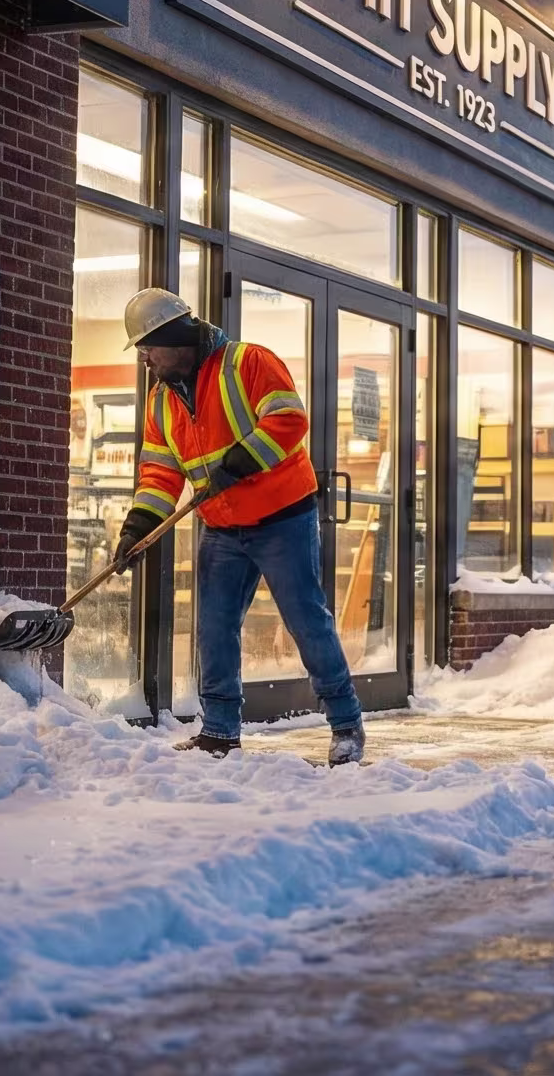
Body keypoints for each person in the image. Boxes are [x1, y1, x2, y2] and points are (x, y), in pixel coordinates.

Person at [118, 288, 363, 765]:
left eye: (148, 347)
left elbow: (289, 421)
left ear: (174, 338)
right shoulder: (160, 402)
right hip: (222, 527)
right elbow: (160, 473)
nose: (145, 359)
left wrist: (239, 463)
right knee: (214, 627)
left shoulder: (248, 363)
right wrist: (137, 527)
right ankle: (219, 732)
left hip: (282, 519)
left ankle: (346, 724)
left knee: (306, 621)